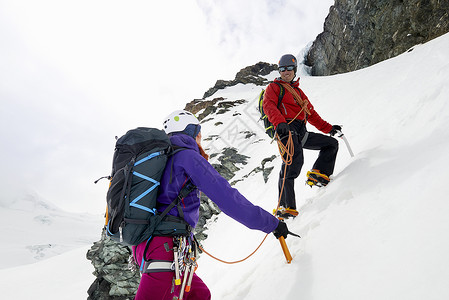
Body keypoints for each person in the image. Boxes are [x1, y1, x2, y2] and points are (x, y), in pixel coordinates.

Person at [132, 110, 290, 300]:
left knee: (199, 295)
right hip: (165, 248)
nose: (200, 138)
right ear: (192, 132)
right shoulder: (188, 157)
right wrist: (272, 224)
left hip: (149, 245)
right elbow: (228, 199)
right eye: (199, 132)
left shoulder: (159, 160)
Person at [263, 54, 341, 219]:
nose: (286, 72)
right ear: (279, 71)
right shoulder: (274, 87)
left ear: (294, 70)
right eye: (283, 69)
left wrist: (329, 129)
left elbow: (311, 114)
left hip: (301, 131)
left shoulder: (299, 93)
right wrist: (279, 123)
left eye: (289, 68)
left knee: (331, 144)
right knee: (293, 162)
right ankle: (285, 206)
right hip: (286, 128)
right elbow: (268, 105)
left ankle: (319, 173)